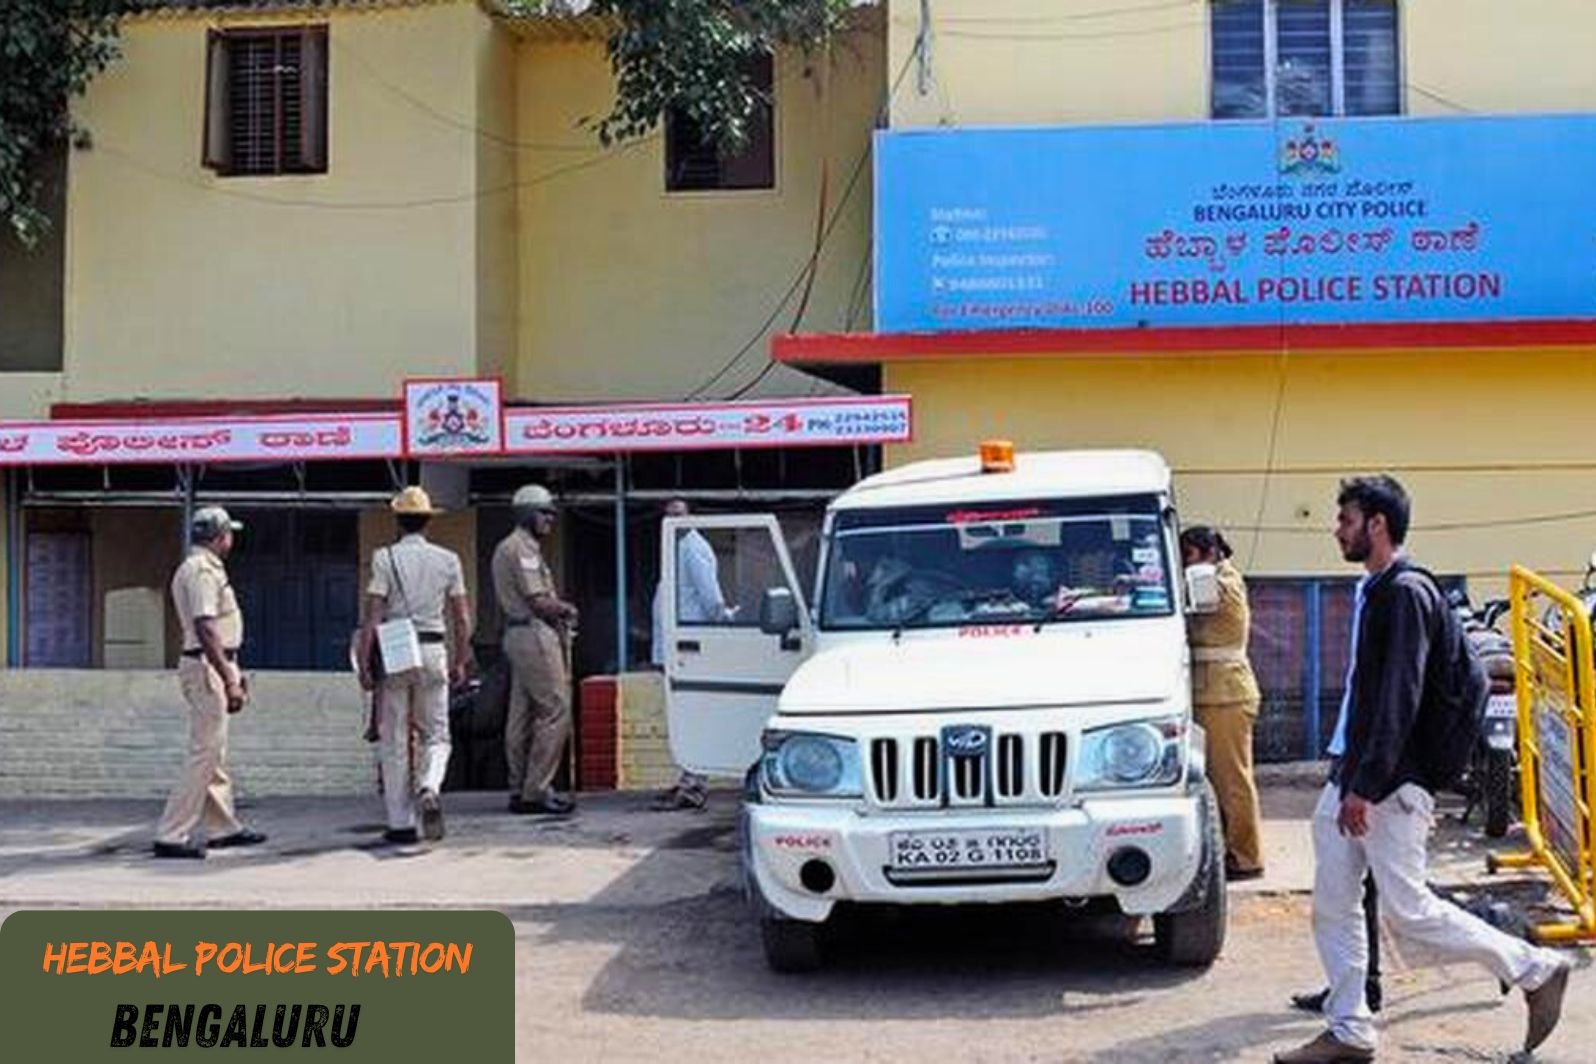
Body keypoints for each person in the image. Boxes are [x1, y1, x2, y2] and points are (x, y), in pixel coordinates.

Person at [1275, 476, 1572, 1064]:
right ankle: (1350, 1028)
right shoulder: (1376, 589)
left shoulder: (1405, 594)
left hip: (1387, 781)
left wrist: (1367, 784)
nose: (1337, 530)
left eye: (1346, 520)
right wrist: (1348, 774)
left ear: (1377, 524)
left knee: (1408, 909)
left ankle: (1535, 967)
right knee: (1334, 901)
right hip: (1353, 770)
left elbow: (1399, 695)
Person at [356, 486, 472, 844]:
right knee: (436, 734)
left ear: (399, 520)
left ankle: (400, 824)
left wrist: (365, 662)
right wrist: (461, 658)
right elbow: (462, 618)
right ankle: (429, 786)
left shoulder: (384, 558)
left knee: (394, 738)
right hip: (434, 648)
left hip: (396, 650)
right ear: (427, 521)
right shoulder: (448, 559)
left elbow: (373, 616)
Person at [153, 506, 267, 859]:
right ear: (220, 537)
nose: (231, 540)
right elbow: (205, 626)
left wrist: (231, 669)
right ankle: (172, 833)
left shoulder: (199, 567)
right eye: (229, 534)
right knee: (204, 753)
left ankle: (223, 827)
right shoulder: (202, 571)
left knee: (213, 751)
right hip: (206, 666)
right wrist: (227, 677)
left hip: (211, 663)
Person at [1180, 526, 1265, 881]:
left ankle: (1245, 856)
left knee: (1232, 781)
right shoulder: (1215, 578)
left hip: (1226, 695)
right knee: (1216, 780)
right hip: (1212, 693)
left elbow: (1191, 594)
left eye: (1186, 554)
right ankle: (1229, 850)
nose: (1182, 562)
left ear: (1208, 553)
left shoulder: (1218, 581)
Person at [492, 484, 579, 816]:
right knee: (556, 708)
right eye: (544, 513)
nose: (550, 520)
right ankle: (537, 790)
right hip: (533, 633)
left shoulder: (509, 547)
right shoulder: (522, 549)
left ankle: (519, 788)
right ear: (527, 513)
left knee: (522, 715)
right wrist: (567, 609)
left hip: (518, 635)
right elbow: (538, 600)